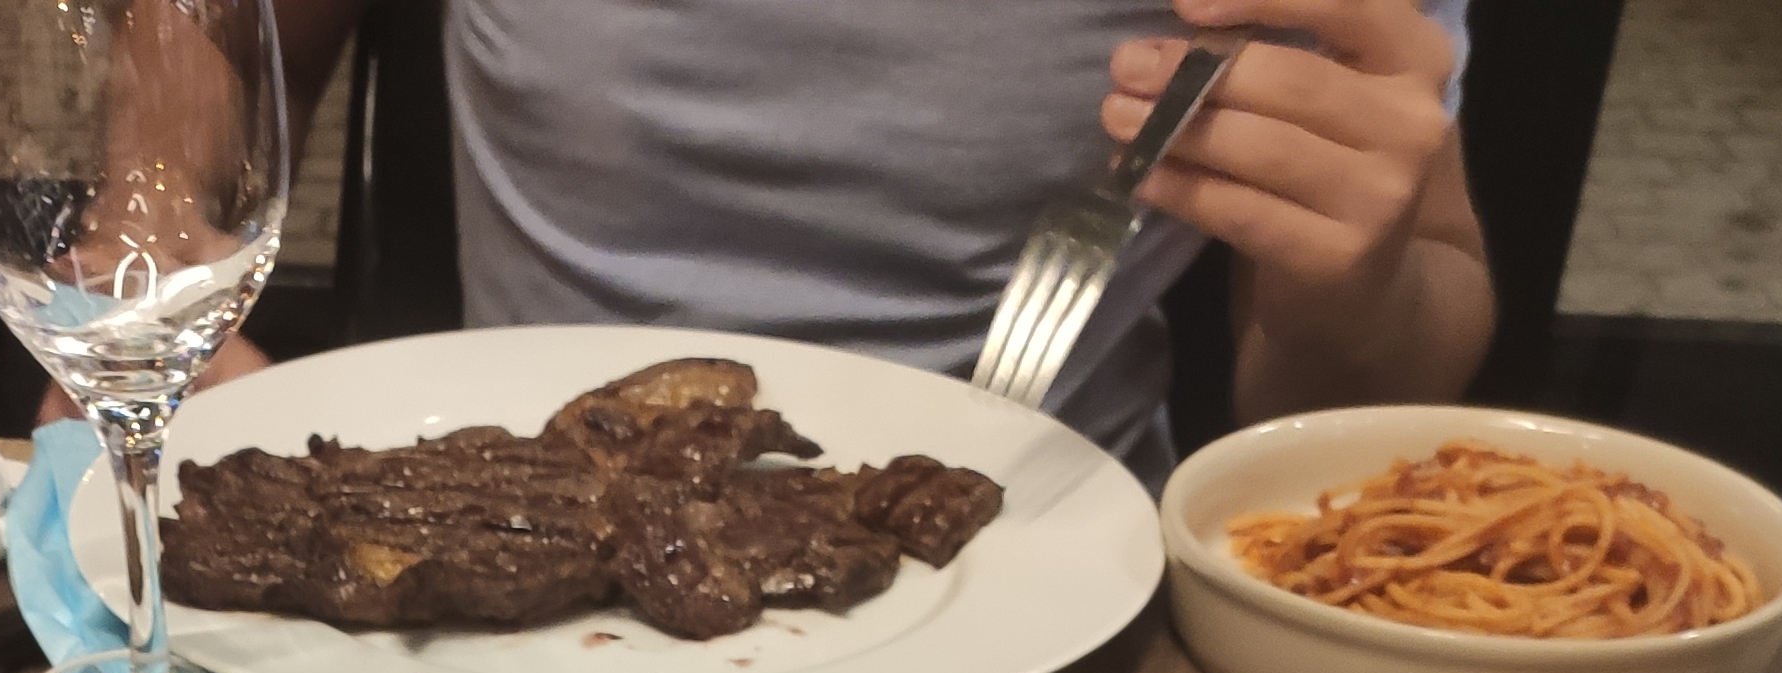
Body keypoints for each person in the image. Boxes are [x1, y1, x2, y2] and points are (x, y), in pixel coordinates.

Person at [265, 0, 1492, 473]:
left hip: (1058, 563)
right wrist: (173, 281)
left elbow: (1417, 320)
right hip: (516, 529)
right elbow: (226, 43)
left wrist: (1353, 291)